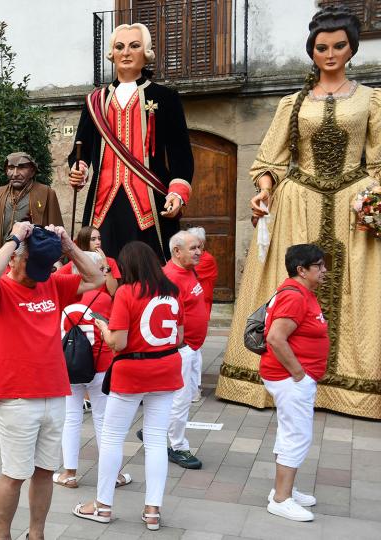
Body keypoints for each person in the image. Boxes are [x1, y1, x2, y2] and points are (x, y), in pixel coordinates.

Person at [217, 7, 381, 420]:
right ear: (312, 51)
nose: (330, 53)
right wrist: (265, 192)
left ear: (351, 48)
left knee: (355, 290)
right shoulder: (292, 103)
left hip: (353, 206)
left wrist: (374, 198)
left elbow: (378, 161)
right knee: (285, 286)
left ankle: (350, 386)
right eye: (322, 47)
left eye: (338, 45)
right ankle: (275, 378)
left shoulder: (371, 100)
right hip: (298, 202)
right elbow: (270, 159)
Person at [0, 221, 103, 540]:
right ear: (14, 259)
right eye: (33, 265)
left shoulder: (50, 283)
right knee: (15, 474)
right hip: (16, 397)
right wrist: (14, 238)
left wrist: (68, 246)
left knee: (45, 471)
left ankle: (37, 534)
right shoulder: (0, 290)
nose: (39, 273)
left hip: (54, 392)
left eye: (44, 267)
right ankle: (2, 536)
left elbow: (96, 278)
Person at [73, 241, 183, 532]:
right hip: (167, 368)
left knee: (111, 437)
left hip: (133, 370)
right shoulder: (172, 292)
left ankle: (103, 505)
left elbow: (117, 343)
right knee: (157, 439)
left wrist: (103, 327)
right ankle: (152, 510)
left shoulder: (126, 292)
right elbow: (180, 336)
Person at [67, 23, 194, 262]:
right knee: (101, 266)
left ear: (145, 53)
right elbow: (79, 149)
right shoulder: (95, 101)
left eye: (134, 46)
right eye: (119, 47)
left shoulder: (165, 98)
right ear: (112, 54)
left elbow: (180, 153)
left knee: (150, 269)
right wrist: (79, 168)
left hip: (150, 201)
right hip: (103, 201)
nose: (126, 52)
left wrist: (177, 193)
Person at [0, 152, 64, 393]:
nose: (15, 173)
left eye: (21, 168)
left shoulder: (46, 193)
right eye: (10, 169)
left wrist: (54, 261)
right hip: (0, 262)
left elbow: (56, 229)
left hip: (28, 265)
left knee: (27, 319)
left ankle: (30, 371)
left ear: (32, 170)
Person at [261, 244, 328, 522]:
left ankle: (284, 489)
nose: (325, 271)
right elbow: (276, 338)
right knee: (297, 435)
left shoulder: (298, 292)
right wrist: (299, 373)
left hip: (291, 377)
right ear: (301, 270)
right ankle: (281, 499)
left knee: (291, 432)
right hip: (290, 378)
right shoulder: (295, 297)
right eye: (319, 266)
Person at [53, 251, 130, 490]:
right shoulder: (105, 299)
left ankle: (69, 472)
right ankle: (113, 474)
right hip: (100, 365)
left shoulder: (63, 297)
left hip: (68, 363)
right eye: (103, 269)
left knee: (71, 417)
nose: (106, 273)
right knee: (103, 419)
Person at [159, 231, 208, 470]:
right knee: (180, 401)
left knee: (182, 399)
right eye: (193, 248)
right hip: (182, 349)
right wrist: (181, 346)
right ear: (177, 251)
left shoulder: (188, 271)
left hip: (191, 347)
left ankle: (157, 429)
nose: (199, 252)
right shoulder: (170, 277)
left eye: (199, 247)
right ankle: (177, 446)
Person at [187, 226, 216, 402]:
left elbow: (189, 274)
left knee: (194, 350)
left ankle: (195, 387)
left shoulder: (206, 260)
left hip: (200, 308)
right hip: (188, 309)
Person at [59, 226, 120, 297]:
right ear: (84, 241)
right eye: (93, 239)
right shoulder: (76, 263)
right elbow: (54, 280)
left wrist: (105, 264)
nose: (98, 242)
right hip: (82, 305)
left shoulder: (110, 261)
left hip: (102, 303)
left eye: (99, 238)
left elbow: (113, 291)